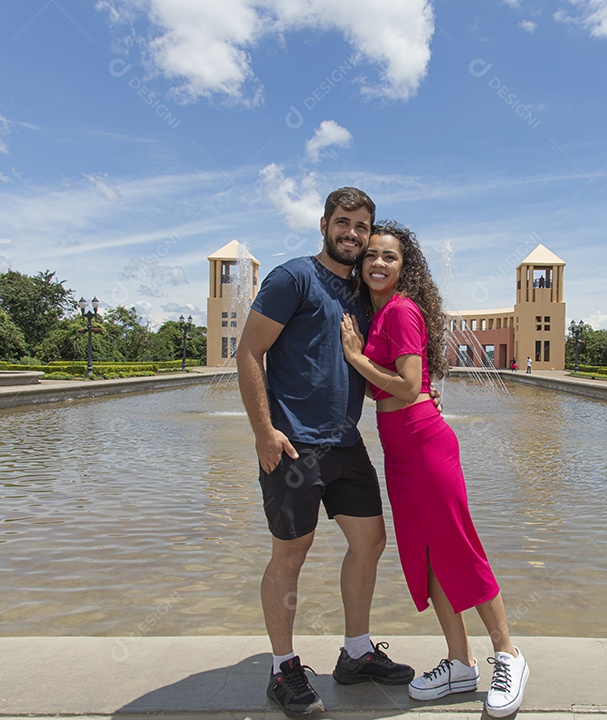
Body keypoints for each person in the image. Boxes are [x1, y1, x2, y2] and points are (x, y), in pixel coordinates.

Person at [339, 221, 530, 718]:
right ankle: (459, 662)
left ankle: (507, 654)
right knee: (428, 558)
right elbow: (397, 385)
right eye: (372, 256)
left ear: (405, 268)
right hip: (401, 452)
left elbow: (403, 387)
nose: (379, 263)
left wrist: (356, 359)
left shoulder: (401, 310)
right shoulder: (375, 315)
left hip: (424, 445)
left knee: (458, 547)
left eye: (390, 257)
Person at [237, 188, 415, 719]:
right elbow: (249, 352)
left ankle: (355, 652)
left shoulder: (363, 290)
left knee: (371, 541)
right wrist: (264, 431)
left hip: (344, 442)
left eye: (362, 226)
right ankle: (283, 668)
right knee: (291, 552)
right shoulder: (293, 278)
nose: (353, 234)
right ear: (323, 224)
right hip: (293, 443)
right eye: (344, 223)